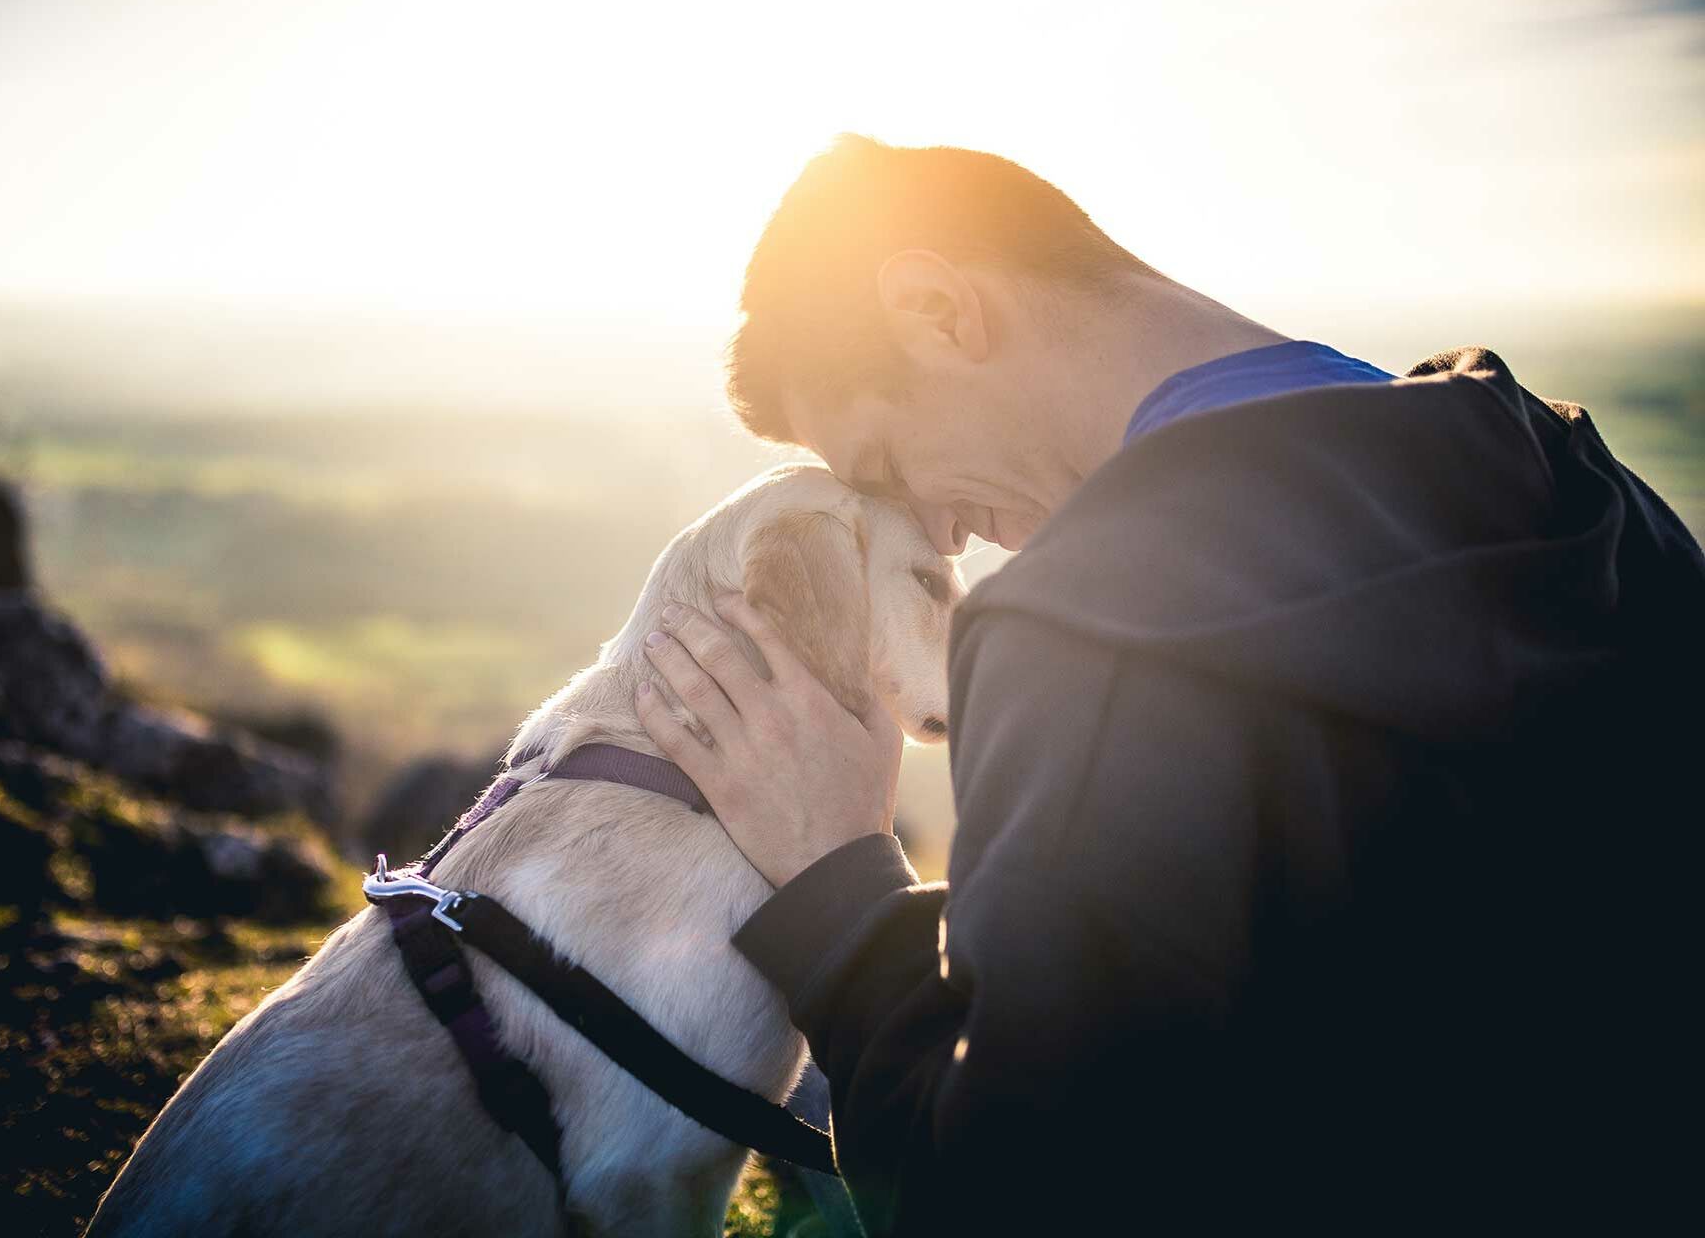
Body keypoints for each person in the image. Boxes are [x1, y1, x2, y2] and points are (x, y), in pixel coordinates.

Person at [630, 136, 1704, 1233]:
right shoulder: (1586, 492)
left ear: (936, 308)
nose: (940, 529)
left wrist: (835, 888)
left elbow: (1014, 1193)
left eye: (886, 464)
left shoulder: (1086, 638)